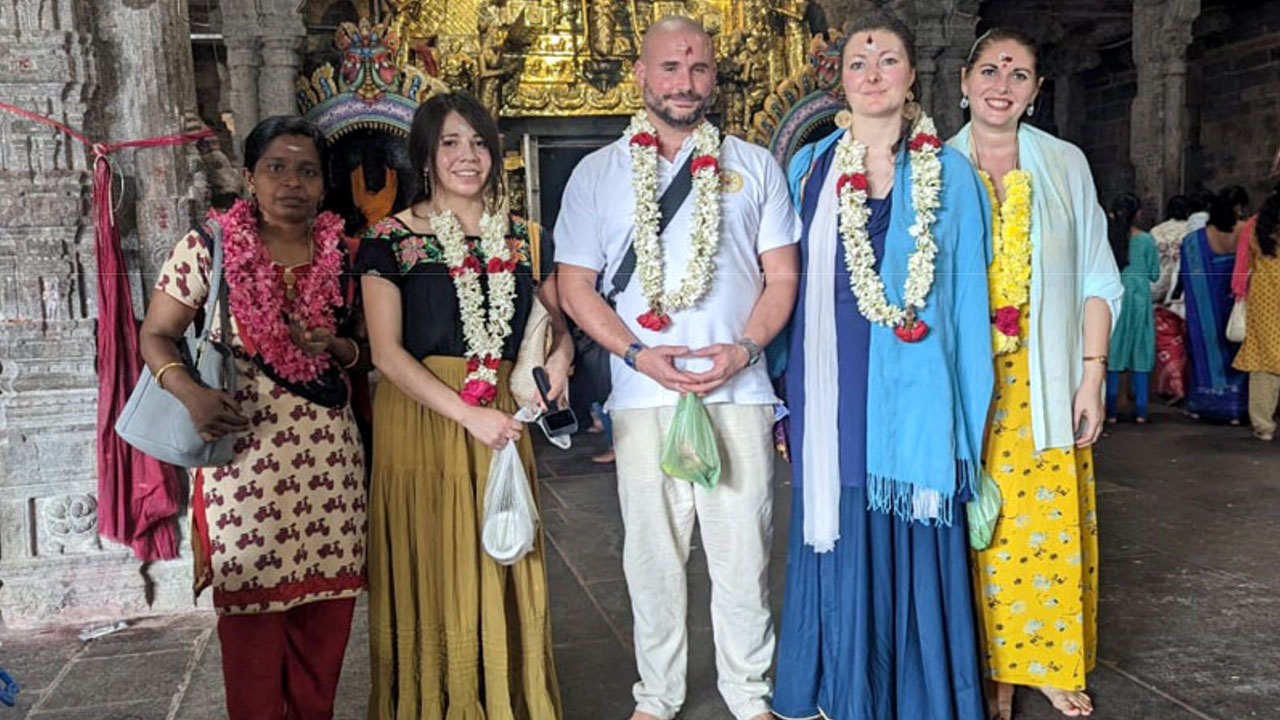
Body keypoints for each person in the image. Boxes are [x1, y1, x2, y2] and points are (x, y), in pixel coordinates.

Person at [555, 15, 799, 720]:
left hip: (739, 391)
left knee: (743, 552)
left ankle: (749, 693)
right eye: (669, 67)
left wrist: (744, 350)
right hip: (643, 394)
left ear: (713, 78)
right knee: (652, 557)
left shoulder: (754, 165)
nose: (684, 82)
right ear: (641, 74)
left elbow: (782, 276)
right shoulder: (599, 173)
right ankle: (656, 696)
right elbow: (575, 285)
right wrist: (637, 354)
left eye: (697, 69)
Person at [771, 12, 993, 720]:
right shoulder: (809, 169)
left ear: (912, 76)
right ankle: (845, 690)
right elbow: (783, 283)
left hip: (916, 385)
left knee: (911, 526)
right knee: (840, 522)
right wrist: (781, 393)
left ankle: (918, 697)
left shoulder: (950, 175)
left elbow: (967, 300)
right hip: (830, 382)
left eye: (887, 59)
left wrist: (965, 413)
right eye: (858, 62)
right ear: (838, 78)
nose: (872, 74)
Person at [139, 116, 368, 720]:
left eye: (307, 171)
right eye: (276, 168)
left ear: (323, 185)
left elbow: (364, 351)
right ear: (249, 177)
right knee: (252, 638)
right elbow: (156, 334)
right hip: (242, 466)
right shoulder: (209, 247)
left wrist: (332, 346)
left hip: (329, 468)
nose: (292, 182)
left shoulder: (344, 255)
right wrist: (190, 394)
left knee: (325, 627)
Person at [356, 91, 572, 719]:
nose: (467, 155)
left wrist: (561, 361)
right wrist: (465, 414)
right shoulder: (390, 239)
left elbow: (558, 328)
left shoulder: (527, 239)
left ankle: (504, 700)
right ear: (425, 156)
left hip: (502, 417)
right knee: (435, 561)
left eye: (479, 142)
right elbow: (386, 353)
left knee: (504, 547)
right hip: (424, 417)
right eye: (450, 142)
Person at [951, 28, 1123, 720]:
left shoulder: (1063, 162)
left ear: (1036, 91)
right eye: (990, 70)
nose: (1003, 85)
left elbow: (1097, 277)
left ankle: (1047, 663)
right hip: (966, 386)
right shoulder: (934, 164)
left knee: (1044, 529)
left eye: (1018, 74)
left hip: (1045, 379)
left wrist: (1092, 375)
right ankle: (991, 669)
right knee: (979, 529)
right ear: (964, 80)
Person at [1181, 189, 1250, 423]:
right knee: (1238, 345)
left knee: (1207, 345)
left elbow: (1186, 278)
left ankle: (1205, 402)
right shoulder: (1247, 232)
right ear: (1238, 207)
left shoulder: (1193, 241)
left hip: (1205, 305)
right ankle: (1237, 405)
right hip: (1238, 302)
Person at [1105, 193, 1160, 423]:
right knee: (1140, 350)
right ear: (1138, 214)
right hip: (1139, 298)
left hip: (1114, 296)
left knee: (1113, 351)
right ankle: (1141, 411)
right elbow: (1154, 274)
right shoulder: (1146, 240)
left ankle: (1110, 411)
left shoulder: (1107, 240)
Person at [1233, 183, 1280, 440]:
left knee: (1264, 361)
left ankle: (1263, 425)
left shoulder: (1255, 225)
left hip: (1264, 296)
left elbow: (1246, 262)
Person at [1151, 195, 1193, 401]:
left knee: (1165, 342)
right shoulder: (1191, 232)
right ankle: (1185, 383)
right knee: (1184, 341)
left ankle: (1167, 384)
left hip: (1158, 290)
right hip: (1181, 294)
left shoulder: (1156, 232)